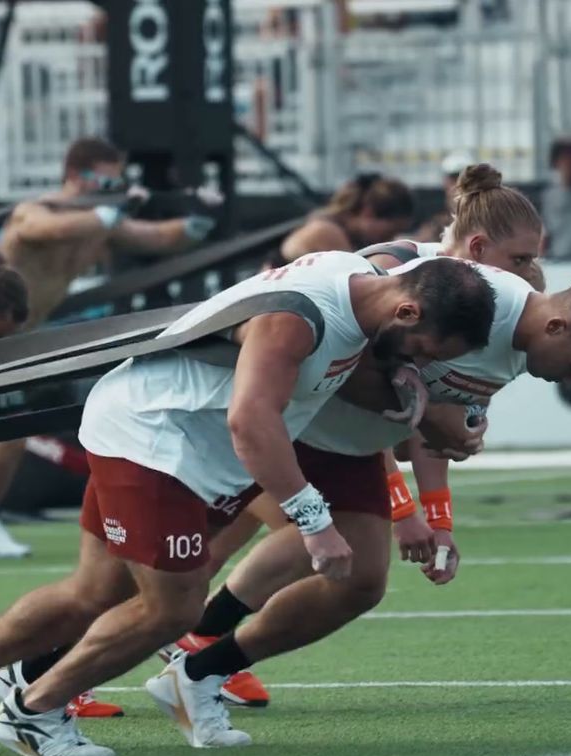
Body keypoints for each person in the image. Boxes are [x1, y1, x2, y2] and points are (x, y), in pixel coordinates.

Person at [0, 252, 499, 756]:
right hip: (158, 438)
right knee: (172, 607)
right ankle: (33, 712)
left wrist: (419, 407)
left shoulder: (360, 288)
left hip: (178, 442)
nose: (421, 360)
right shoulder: (303, 316)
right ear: (408, 309)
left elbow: (330, 385)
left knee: (92, 592)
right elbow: (250, 420)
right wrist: (315, 524)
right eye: (425, 348)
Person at [154, 271, 571, 744]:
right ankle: (92, 675)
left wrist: (438, 517)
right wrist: (404, 492)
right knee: (136, 575)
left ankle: (196, 672)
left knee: (360, 580)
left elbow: (433, 421)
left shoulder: (523, 341)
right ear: (558, 326)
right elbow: (351, 341)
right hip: (297, 419)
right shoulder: (473, 302)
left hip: (347, 441)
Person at [183, 162, 546, 708]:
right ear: (477, 245)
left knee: (296, 550)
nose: (529, 272)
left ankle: (194, 651)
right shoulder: (397, 271)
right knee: (186, 561)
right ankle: (72, 673)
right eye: (520, 259)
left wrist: (438, 510)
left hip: (317, 434)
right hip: (272, 418)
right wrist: (406, 507)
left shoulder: (473, 305)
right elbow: (348, 387)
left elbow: (407, 418)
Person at [0, 137, 218, 564]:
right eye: (104, 181)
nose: (112, 189)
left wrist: (194, 226)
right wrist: (107, 212)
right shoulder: (41, 210)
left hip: (18, 338)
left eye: (116, 182)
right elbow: (41, 229)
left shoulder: (100, 222)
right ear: (75, 176)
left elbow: (153, 237)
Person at [276, 173, 414, 263]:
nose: (390, 240)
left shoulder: (340, 232)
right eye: (389, 233)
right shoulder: (326, 232)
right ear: (368, 213)